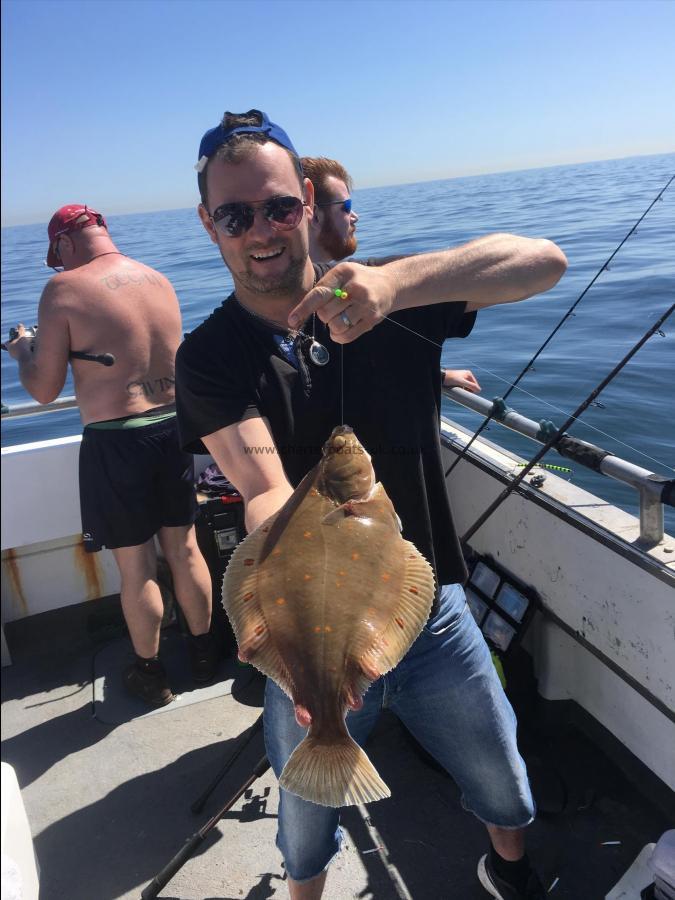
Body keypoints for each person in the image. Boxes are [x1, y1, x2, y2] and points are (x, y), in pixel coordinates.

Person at [176, 109, 568, 900]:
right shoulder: (210, 357)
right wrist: (284, 629)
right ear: (208, 223)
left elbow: (544, 262)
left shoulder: (383, 292)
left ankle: (509, 866)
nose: (261, 230)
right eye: (235, 214)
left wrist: (398, 282)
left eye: (280, 206)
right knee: (305, 810)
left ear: (310, 202)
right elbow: (265, 493)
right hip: (303, 636)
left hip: (433, 613)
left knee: (501, 773)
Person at [6, 205, 218, 708]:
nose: (58, 268)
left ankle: (151, 673)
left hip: (117, 440)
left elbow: (43, 388)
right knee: (186, 550)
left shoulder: (63, 290)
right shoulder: (158, 279)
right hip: (174, 430)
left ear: (63, 245)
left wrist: (21, 353)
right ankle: (207, 655)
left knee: (136, 566)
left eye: (56, 257)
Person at [301, 154, 482, 395]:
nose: (355, 216)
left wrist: (434, 374)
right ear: (313, 213)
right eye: (346, 207)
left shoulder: (375, 285)